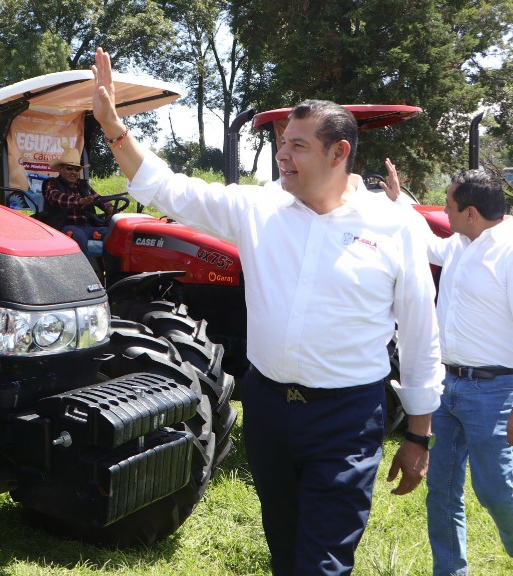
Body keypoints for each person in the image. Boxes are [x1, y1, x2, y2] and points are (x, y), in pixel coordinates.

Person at [91, 47, 443, 575]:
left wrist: (418, 433)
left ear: (338, 152)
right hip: (268, 409)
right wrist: (115, 130)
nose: (283, 156)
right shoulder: (259, 208)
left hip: (346, 417)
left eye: (298, 146)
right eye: (282, 144)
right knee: (283, 545)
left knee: (322, 562)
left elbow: (418, 331)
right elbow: (169, 189)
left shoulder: (395, 226)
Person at [383, 162, 513, 575]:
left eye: (449, 206)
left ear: (471, 213)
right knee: (440, 490)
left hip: (495, 392)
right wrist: (399, 200)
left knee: (496, 490)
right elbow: (425, 241)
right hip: (448, 385)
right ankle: (450, 570)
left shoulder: (509, 252)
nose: (444, 212)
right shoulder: (459, 243)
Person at [42, 148, 114, 256]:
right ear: (60, 169)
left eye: (77, 170)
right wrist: (80, 201)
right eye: (69, 168)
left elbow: (98, 198)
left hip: (89, 226)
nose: (73, 172)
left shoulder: (83, 185)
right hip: (64, 226)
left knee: (115, 234)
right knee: (78, 236)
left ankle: (113, 271)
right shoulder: (51, 184)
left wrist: (108, 207)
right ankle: (85, 272)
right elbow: (57, 198)